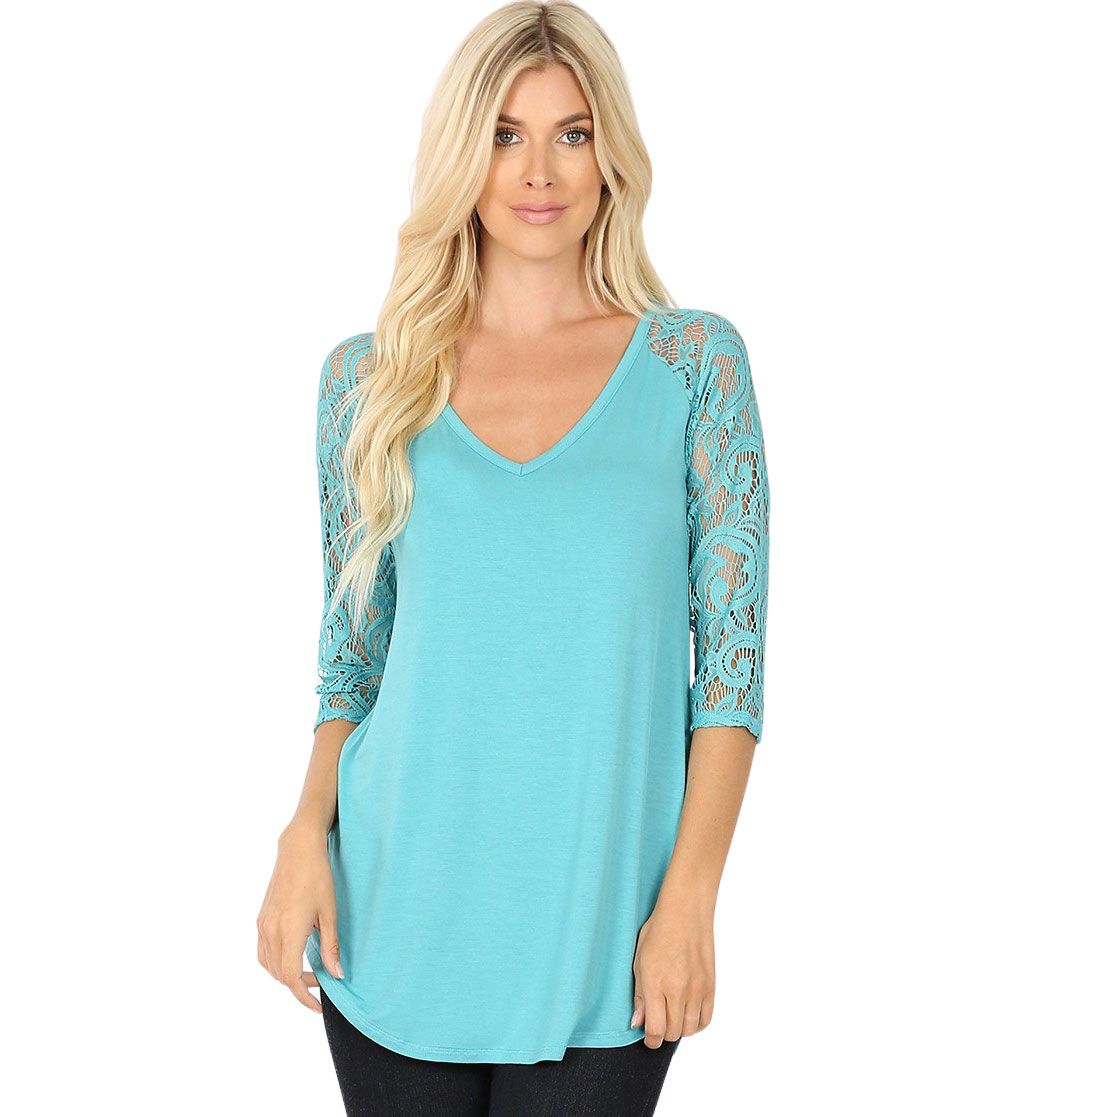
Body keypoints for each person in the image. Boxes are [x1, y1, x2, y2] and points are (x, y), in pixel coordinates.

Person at [257, 2, 771, 1113]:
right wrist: (303, 831)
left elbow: (729, 676)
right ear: (461, 154)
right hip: (393, 910)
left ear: (610, 154)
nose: (539, 171)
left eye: (571, 133)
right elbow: (354, 659)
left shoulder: (694, 368)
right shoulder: (366, 382)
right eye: (503, 134)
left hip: (608, 927)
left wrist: (690, 897)